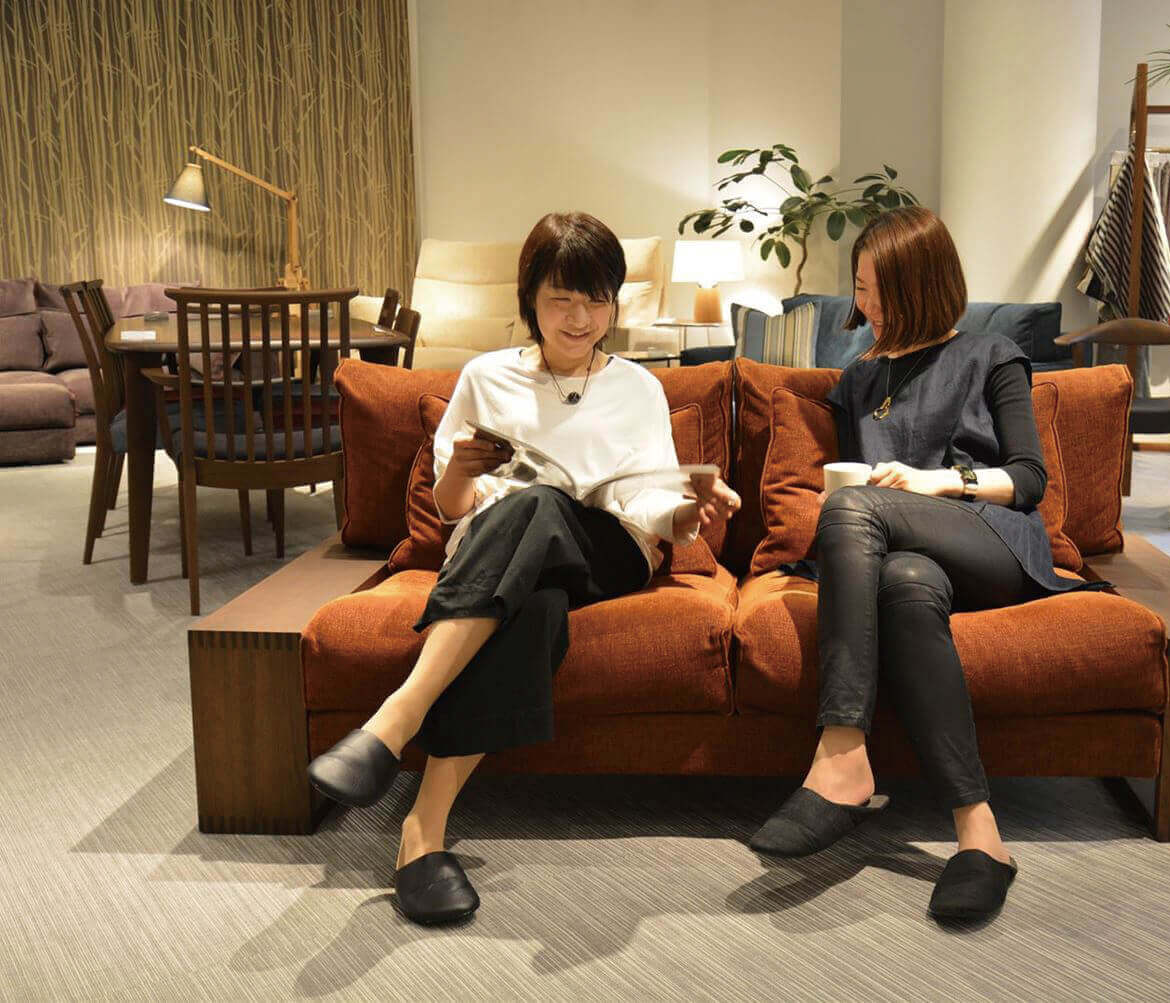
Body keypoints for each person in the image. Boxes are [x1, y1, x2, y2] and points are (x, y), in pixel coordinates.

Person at [307, 211, 741, 926]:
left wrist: (687, 513)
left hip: (605, 553)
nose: (579, 318)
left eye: (596, 300)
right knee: (533, 608)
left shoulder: (638, 387)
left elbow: (648, 502)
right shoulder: (486, 378)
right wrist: (461, 471)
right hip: (505, 555)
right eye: (560, 299)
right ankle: (422, 835)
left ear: (613, 303)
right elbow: (453, 507)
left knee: (539, 502)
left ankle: (394, 719)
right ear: (529, 300)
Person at [747, 206, 1110, 923]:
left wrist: (940, 482)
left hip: (991, 539)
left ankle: (842, 754)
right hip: (910, 558)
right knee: (904, 585)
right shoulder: (859, 379)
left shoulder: (991, 355)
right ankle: (981, 838)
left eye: (875, 290)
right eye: (858, 287)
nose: (863, 305)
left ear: (920, 286)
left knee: (851, 510)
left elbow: (1029, 479)